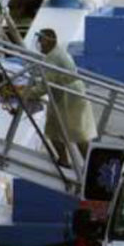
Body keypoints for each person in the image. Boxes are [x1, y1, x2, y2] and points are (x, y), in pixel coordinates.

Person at [27, 28, 97, 166]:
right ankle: (66, 160)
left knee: (77, 134)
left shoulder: (53, 58)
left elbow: (45, 86)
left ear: (47, 42)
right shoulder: (55, 54)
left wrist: (27, 93)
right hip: (66, 95)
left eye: (41, 41)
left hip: (69, 98)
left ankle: (90, 166)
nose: (39, 45)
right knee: (55, 130)